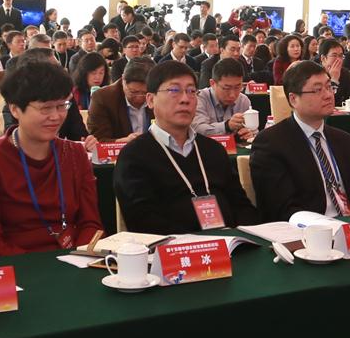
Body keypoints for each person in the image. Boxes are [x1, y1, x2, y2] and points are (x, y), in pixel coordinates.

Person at [0, 60, 103, 255]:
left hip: (75, 259)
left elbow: (91, 224)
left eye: (62, 106)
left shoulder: (75, 154)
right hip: (16, 266)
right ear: (15, 109)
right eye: (45, 108)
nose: (56, 116)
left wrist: (80, 255)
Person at [113, 59, 256, 232]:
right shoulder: (134, 156)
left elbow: (242, 207)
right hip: (175, 247)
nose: (185, 99)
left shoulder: (214, 150)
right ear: (150, 100)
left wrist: (243, 237)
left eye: (191, 91)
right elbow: (144, 223)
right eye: (174, 90)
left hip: (230, 243)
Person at [249, 60, 350, 220]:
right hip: (309, 229)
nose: (328, 95)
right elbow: (281, 209)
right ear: (293, 99)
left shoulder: (346, 141)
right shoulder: (271, 143)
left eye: (329, 87)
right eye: (317, 90)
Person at [190, 58, 259, 144]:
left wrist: (248, 134)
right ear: (212, 83)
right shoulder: (199, 99)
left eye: (238, 87)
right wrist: (227, 126)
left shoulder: (243, 100)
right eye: (226, 88)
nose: (232, 95)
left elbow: (254, 131)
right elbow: (197, 129)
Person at [84, 59, 152, 140]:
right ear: (123, 80)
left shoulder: (161, 96)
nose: (139, 98)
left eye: (145, 93)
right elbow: (99, 139)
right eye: (133, 92)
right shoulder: (103, 98)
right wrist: (123, 141)